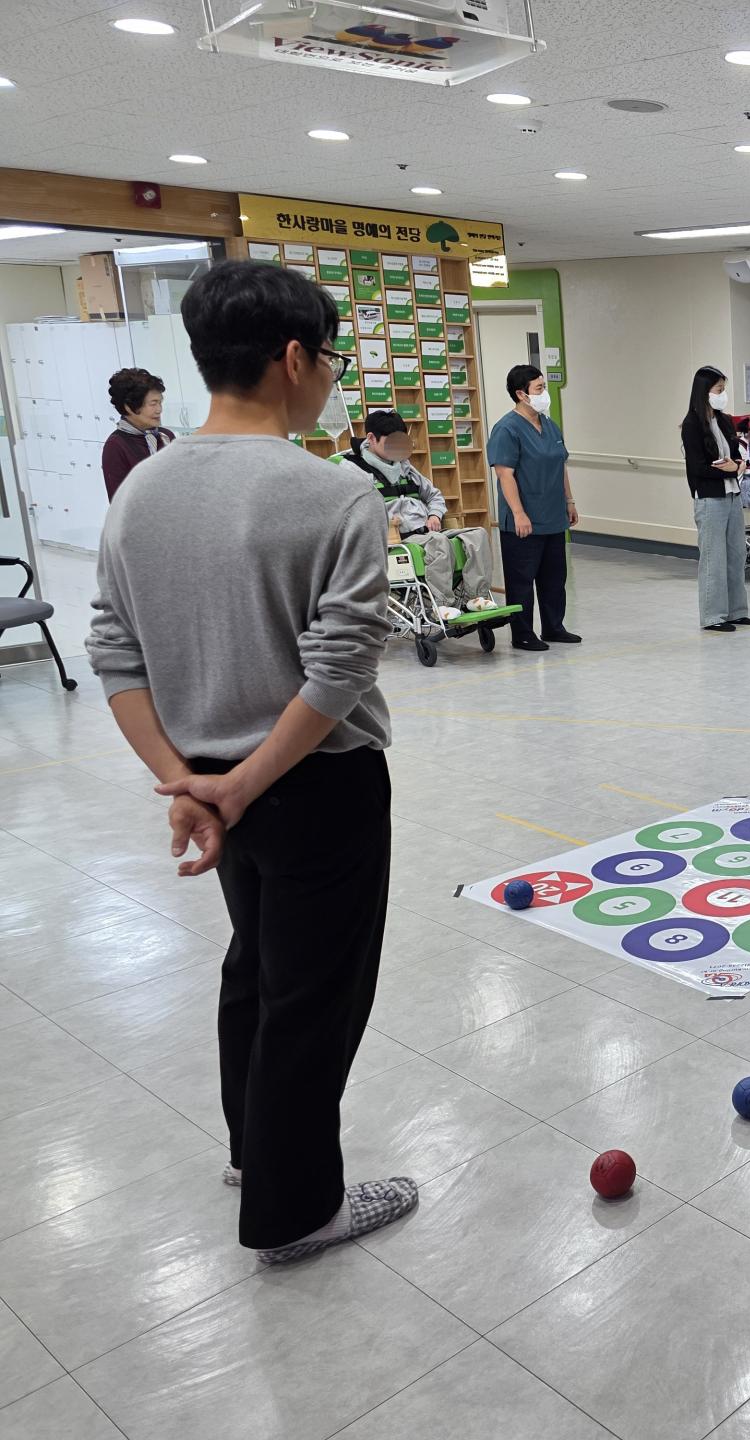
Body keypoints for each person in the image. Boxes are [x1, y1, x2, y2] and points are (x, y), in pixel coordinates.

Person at [84, 258, 414, 1265]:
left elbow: (114, 649)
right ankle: (296, 1211)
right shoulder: (334, 493)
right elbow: (340, 668)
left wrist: (189, 782)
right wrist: (239, 783)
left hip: (214, 781)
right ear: (293, 358)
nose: (331, 380)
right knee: (315, 997)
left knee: (257, 966)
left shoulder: (142, 489)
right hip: (314, 783)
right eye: (331, 360)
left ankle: (253, 1151)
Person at [335, 410, 493, 613]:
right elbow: (354, 512)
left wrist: (434, 514)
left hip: (427, 531)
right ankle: (442, 605)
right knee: (439, 543)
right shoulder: (354, 470)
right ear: (371, 438)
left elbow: (434, 495)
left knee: (478, 535)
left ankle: (476, 598)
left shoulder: (405, 467)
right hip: (396, 539)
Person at [487, 364, 580, 650]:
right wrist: (518, 513)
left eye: (544, 387)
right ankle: (523, 634)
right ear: (521, 394)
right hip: (524, 520)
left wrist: (569, 501)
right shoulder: (506, 429)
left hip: (553, 515)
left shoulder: (549, 425)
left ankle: (554, 627)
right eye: (539, 388)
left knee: (554, 578)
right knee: (522, 581)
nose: (544, 393)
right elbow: (505, 475)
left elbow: (560, 465)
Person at [679, 365, 750, 634]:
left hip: (732, 494)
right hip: (709, 498)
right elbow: (697, 467)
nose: (723, 394)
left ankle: (737, 611)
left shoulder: (723, 421)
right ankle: (713, 616)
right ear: (704, 391)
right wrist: (729, 469)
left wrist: (738, 465)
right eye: (719, 389)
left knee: (736, 554)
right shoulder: (691, 425)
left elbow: (735, 456)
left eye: (724, 389)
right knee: (714, 558)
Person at [101, 366, 174, 501]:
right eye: (153, 404)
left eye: (160, 402)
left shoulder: (166, 436)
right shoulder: (116, 446)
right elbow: (119, 502)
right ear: (129, 407)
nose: (159, 409)